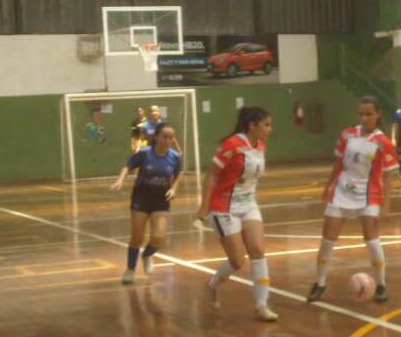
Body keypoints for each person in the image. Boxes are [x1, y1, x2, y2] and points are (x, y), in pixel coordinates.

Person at [307, 96, 399, 303]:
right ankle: (320, 283)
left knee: (372, 240)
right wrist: (328, 185)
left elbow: (388, 176)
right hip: (341, 193)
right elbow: (339, 164)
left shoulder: (383, 143)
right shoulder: (347, 135)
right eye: (361, 114)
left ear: (378, 115)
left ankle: (381, 285)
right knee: (327, 240)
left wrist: (386, 205)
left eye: (369, 114)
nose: (365, 117)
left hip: (368, 196)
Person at [196, 107, 278, 322]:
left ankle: (262, 306)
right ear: (252, 126)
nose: (270, 129)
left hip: (249, 204)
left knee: (258, 250)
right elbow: (211, 174)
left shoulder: (260, 145)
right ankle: (212, 285)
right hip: (224, 207)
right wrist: (204, 205)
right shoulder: (231, 145)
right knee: (237, 261)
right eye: (266, 125)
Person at [111, 123, 182, 284]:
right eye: (164, 136)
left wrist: (174, 188)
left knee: (158, 237)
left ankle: (147, 255)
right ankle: (130, 269)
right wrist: (120, 180)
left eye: (171, 137)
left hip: (161, 200)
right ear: (156, 137)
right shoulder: (144, 154)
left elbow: (178, 174)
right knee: (137, 238)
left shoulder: (175, 157)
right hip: (141, 199)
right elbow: (127, 166)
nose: (168, 140)